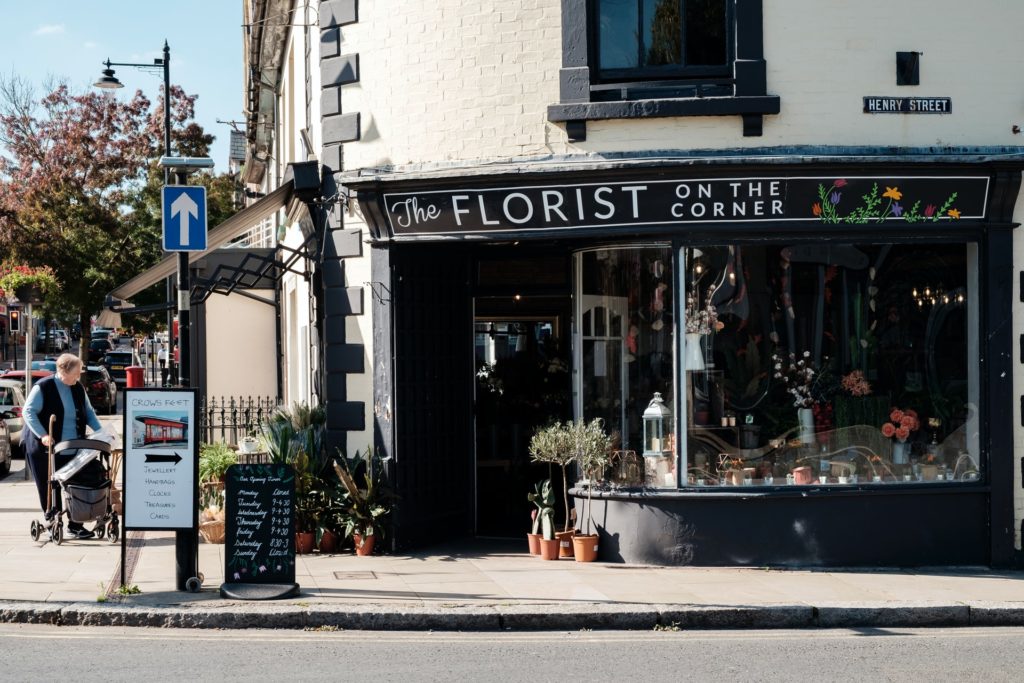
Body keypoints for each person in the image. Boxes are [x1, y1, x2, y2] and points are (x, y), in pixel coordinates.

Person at [23, 353, 104, 539]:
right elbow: (28, 412)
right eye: (76, 373)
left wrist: (102, 433)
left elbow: (89, 413)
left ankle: (75, 524)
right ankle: (53, 521)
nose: (79, 376)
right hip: (45, 447)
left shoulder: (78, 388)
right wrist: (43, 435)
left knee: (76, 483)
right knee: (49, 486)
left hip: (73, 445)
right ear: (63, 370)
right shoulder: (44, 387)